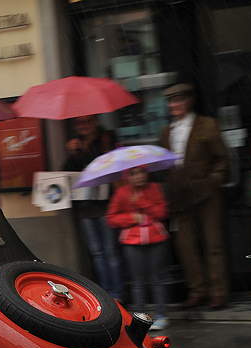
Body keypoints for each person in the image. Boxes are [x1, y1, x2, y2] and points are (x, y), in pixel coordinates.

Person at [158, 83, 229, 309]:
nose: (174, 105)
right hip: (180, 196)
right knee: (186, 246)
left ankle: (218, 292)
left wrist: (214, 180)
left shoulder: (208, 125)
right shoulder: (166, 132)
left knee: (213, 243)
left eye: (179, 100)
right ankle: (197, 290)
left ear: (189, 101)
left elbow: (222, 159)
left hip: (207, 193)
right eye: (171, 101)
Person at [62, 115, 124, 299]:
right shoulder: (75, 145)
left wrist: (84, 150)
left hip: (107, 205)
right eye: (79, 123)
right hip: (86, 208)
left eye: (87, 122)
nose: (83, 126)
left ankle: (118, 292)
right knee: (97, 253)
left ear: (96, 122)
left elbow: (103, 165)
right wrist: (73, 154)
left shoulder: (107, 139)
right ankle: (107, 292)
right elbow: (69, 173)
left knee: (111, 251)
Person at [107, 166, 170, 330]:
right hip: (132, 241)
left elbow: (162, 212)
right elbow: (112, 218)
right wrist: (132, 217)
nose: (139, 177)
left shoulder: (155, 188)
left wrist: (142, 203)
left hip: (156, 238)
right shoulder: (122, 193)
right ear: (128, 176)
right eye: (134, 173)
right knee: (138, 281)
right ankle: (141, 318)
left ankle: (161, 315)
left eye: (142, 172)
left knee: (157, 279)